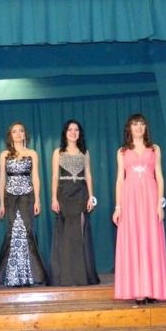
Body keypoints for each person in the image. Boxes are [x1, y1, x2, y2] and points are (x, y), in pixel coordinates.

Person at [112, 113, 166, 304]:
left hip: (150, 197)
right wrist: (118, 207)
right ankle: (138, 290)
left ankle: (152, 289)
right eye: (135, 124)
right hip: (129, 199)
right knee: (133, 241)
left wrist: (160, 203)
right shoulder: (122, 151)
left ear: (146, 127)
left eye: (142, 124)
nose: (138, 127)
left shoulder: (154, 149)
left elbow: (159, 177)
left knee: (151, 240)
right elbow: (120, 180)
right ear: (129, 128)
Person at [0, 122, 49, 287]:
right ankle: (11, 275)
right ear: (10, 135)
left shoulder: (32, 153)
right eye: (14, 131)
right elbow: (2, 180)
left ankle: (31, 275)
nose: (18, 134)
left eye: (21, 131)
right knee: (12, 232)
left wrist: (38, 199)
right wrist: (1, 203)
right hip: (10, 197)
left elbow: (36, 178)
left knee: (27, 231)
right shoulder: (4, 155)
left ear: (25, 134)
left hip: (27, 196)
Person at [50, 120, 100, 286]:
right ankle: (65, 275)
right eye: (70, 130)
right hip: (64, 194)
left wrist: (91, 197)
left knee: (80, 233)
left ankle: (81, 275)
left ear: (80, 133)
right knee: (66, 235)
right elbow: (55, 176)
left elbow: (88, 175)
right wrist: (53, 198)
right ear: (65, 133)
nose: (73, 132)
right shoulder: (58, 152)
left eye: (76, 130)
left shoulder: (84, 152)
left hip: (81, 193)